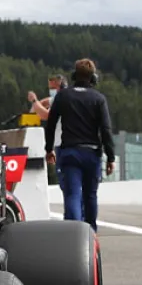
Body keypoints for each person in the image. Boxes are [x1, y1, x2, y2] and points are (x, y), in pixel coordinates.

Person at [43, 60, 115, 231]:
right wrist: (110, 157)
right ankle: (91, 234)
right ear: (94, 78)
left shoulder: (63, 96)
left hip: (70, 152)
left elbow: (51, 124)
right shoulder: (99, 99)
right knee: (90, 195)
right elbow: (105, 129)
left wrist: (49, 148)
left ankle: (74, 234)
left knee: (73, 195)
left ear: (74, 75)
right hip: (91, 153)